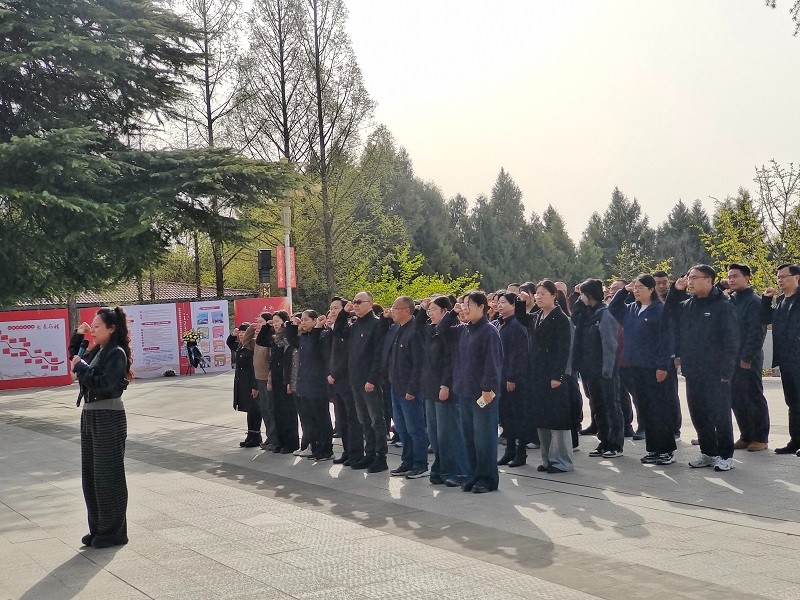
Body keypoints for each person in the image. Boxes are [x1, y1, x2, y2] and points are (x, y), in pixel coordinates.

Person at [69, 307, 133, 548]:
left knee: (108, 476)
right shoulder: (99, 350)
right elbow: (75, 357)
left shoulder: (116, 353)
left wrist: (81, 367)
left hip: (109, 416)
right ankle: (97, 529)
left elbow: (104, 384)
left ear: (112, 329)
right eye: (92, 326)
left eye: (97, 326)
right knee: (91, 476)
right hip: (90, 415)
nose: (93, 330)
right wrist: (78, 335)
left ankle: (113, 532)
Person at [666, 265, 738, 471]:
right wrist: (675, 290)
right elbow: (669, 312)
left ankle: (725, 455)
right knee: (698, 413)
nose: (690, 281)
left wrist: (726, 372)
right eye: (689, 277)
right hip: (693, 369)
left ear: (709, 280)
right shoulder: (688, 305)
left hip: (716, 371)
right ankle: (708, 452)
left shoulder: (723, 305)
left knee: (720, 414)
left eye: (694, 278)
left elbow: (731, 341)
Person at [437, 291, 503, 492]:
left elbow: (493, 363)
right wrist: (452, 313)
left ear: (482, 307)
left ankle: (487, 479)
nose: (465, 308)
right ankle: (473, 475)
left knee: (484, 438)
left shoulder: (489, 331)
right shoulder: (463, 330)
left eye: (469, 305)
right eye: (463, 304)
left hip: (483, 394)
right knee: (469, 437)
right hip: (464, 392)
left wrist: (487, 387)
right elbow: (441, 330)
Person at [609, 275, 676, 465]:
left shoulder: (660, 310)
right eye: (635, 287)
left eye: (640, 287)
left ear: (651, 289)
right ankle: (653, 449)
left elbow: (666, 340)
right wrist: (623, 291)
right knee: (645, 409)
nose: (636, 290)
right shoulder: (631, 308)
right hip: (635, 366)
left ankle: (666, 450)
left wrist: (663, 366)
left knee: (659, 409)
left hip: (654, 367)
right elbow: (613, 309)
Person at [417, 296, 469, 485]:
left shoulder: (451, 332)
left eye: (433, 310)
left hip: (444, 387)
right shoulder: (431, 330)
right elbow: (417, 327)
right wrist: (422, 309)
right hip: (430, 388)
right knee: (435, 434)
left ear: (445, 312)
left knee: (449, 433)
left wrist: (445, 385)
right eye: (429, 310)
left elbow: (450, 361)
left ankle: (458, 471)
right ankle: (440, 468)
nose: (430, 313)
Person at [719, 264, 769, 452]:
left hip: (748, 358)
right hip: (730, 358)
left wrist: (747, 356)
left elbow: (757, 332)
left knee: (753, 396)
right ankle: (746, 435)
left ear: (747, 278)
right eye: (729, 276)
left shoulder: (754, 302)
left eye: (736, 276)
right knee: (736, 397)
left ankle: (760, 438)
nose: (731, 279)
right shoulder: (730, 300)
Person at [574, 279, 624, 459]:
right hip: (590, 370)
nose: (580, 298)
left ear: (590, 295)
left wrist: (607, 370)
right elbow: (574, 317)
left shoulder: (605, 314)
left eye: (582, 294)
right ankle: (604, 441)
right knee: (598, 407)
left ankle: (615, 444)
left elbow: (610, 345)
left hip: (605, 370)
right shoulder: (587, 314)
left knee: (612, 407)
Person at [528, 280, 574, 473]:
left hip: (553, 374)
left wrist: (558, 375)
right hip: (538, 372)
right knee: (542, 416)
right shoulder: (537, 316)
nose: (538, 297)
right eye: (537, 293)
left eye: (543, 293)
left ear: (554, 295)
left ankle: (562, 460)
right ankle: (547, 459)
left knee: (558, 418)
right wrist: (521, 301)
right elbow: (521, 319)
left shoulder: (561, 318)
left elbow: (563, 350)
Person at [345, 292, 390, 473]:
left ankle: (381, 456)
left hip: (370, 381)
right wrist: (344, 313)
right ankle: (369, 453)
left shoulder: (377, 324)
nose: (355, 305)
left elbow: (378, 355)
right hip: (356, 380)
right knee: (363, 420)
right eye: (354, 302)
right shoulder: (355, 325)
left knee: (376, 420)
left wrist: (372, 378)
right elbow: (340, 333)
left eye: (359, 302)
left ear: (370, 304)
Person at [386, 296, 428, 479]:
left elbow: (419, 363)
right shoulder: (396, 329)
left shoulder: (415, 331)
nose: (392, 311)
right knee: (401, 428)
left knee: (415, 428)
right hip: (395, 386)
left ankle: (420, 464)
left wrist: (412, 388)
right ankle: (407, 460)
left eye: (395, 308)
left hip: (409, 389)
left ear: (406, 311)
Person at [761, 263, 800, 455]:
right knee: (793, 401)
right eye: (779, 277)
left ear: (797, 278)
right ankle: (796, 440)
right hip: (786, 359)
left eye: (784, 276)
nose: (780, 280)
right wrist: (766, 300)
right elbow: (765, 319)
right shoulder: (782, 300)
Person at [286, 311, 333, 461]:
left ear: (314, 320)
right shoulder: (303, 337)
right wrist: (293, 324)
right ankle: (315, 447)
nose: (303, 323)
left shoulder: (321, 335)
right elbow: (292, 339)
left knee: (322, 418)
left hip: (317, 385)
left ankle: (326, 449)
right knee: (310, 419)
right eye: (302, 320)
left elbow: (314, 345)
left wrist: (318, 327)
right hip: (304, 385)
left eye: (306, 320)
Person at [324, 297, 364, 466]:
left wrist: (334, 374)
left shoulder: (348, 328)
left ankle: (356, 453)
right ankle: (347, 452)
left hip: (347, 379)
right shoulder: (334, 330)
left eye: (336, 308)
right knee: (342, 419)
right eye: (331, 308)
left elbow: (346, 356)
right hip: (336, 381)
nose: (333, 311)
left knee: (352, 418)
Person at [494, 292, 531, 468]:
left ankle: (520, 452)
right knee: (506, 417)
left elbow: (519, 354)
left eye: (503, 302)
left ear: (513, 305)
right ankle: (509, 451)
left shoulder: (517, 325)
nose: (499, 305)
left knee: (518, 416)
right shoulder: (500, 324)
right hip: (500, 377)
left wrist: (512, 377)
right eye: (498, 302)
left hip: (514, 378)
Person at [654, 270, 682, 439]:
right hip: (652, 356)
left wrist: (678, 354)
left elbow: (678, 331)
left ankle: (674, 428)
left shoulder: (676, 301)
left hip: (670, 355)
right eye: (658, 283)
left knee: (670, 394)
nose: (662, 286)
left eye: (664, 282)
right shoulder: (648, 303)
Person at [268, 311, 299, 454]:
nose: (275, 324)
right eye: (273, 321)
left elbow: (286, 344)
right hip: (276, 377)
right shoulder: (275, 338)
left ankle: (291, 442)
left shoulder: (288, 337)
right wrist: (266, 326)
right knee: (278, 412)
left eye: (277, 321)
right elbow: (263, 341)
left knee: (288, 412)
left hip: (285, 378)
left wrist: (288, 326)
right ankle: (280, 441)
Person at [245, 313, 276, 450]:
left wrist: (269, 379)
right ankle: (270, 436)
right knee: (264, 409)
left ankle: (274, 437)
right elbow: (245, 342)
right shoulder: (258, 340)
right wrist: (250, 328)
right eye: (256, 322)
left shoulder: (269, 340)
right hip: (258, 379)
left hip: (267, 379)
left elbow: (271, 362)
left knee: (270, 409)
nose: (258, 325)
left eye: (260, 322)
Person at [232, 323, 261, 448]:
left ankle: (256, 436)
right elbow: (230, 344)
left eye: (244, 332)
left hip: (251, 382)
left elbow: (255, 368)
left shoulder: (252, 346)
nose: (241, 335)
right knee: (249, 410)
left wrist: (255, 386)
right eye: (240, 333)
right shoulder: (242, 346)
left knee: (255, 410)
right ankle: (250, 434)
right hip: (243, 382)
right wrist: (233, 335)